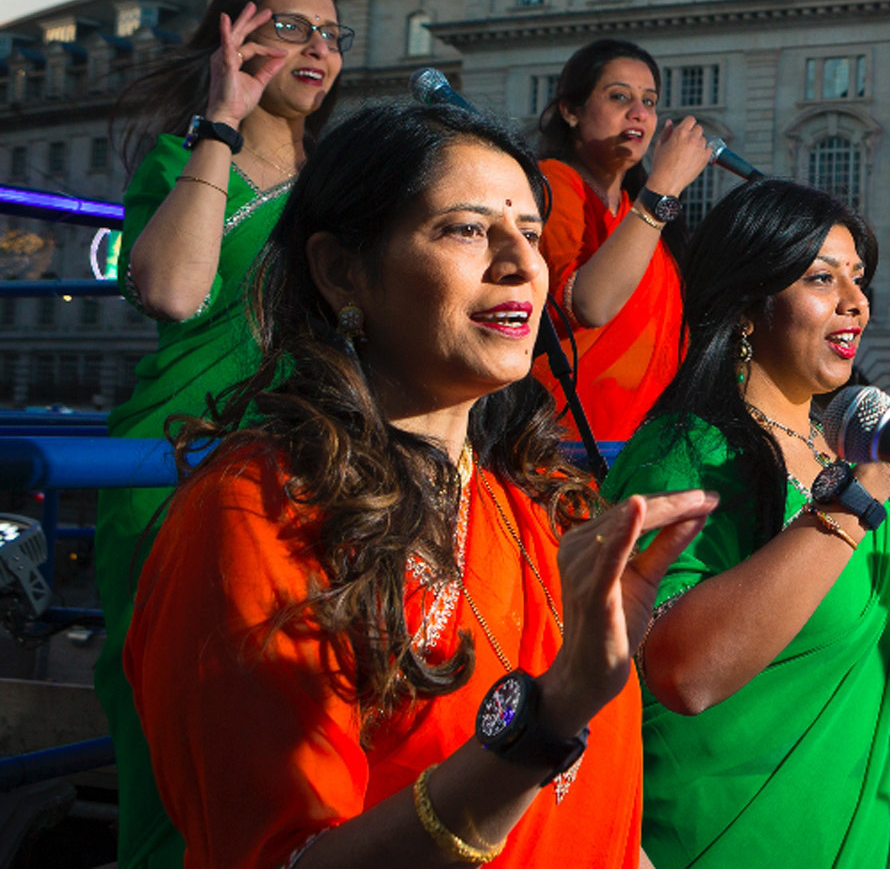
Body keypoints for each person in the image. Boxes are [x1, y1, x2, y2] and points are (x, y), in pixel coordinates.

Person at [124, 101, 715, 867]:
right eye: (467, 229)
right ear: (341, 269)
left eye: (531, 235)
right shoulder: (260, 513)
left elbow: (601, 818)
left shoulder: (537, 500)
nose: (521, 265)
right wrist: (546, 721)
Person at [603, 178, 890, 868]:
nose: (856, 302)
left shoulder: (829, 450)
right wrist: (871, 483)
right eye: (822, 278)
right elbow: (683, 672)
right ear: (749, 307)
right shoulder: (688, 454)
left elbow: (870, 683)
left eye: (859, 278)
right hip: (729, 840)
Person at [96, 0, 348, 869]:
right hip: (173, 470)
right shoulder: (185, 158)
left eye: (332, 35)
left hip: (302, 478)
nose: (320, 48)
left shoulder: (342, 181)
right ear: (236, 37)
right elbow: (170, 289)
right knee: (176, 724)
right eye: (293, 27)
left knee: (287, 729)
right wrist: (222, 120)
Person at [531, 39, 718, 441]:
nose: (639, 113)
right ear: (570, 110)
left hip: (647, 443)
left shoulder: (638, 210)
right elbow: (591, 305)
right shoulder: (553, 183)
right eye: (619, 97)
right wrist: (664, 186)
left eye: (649, 102)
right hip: (568, 444)